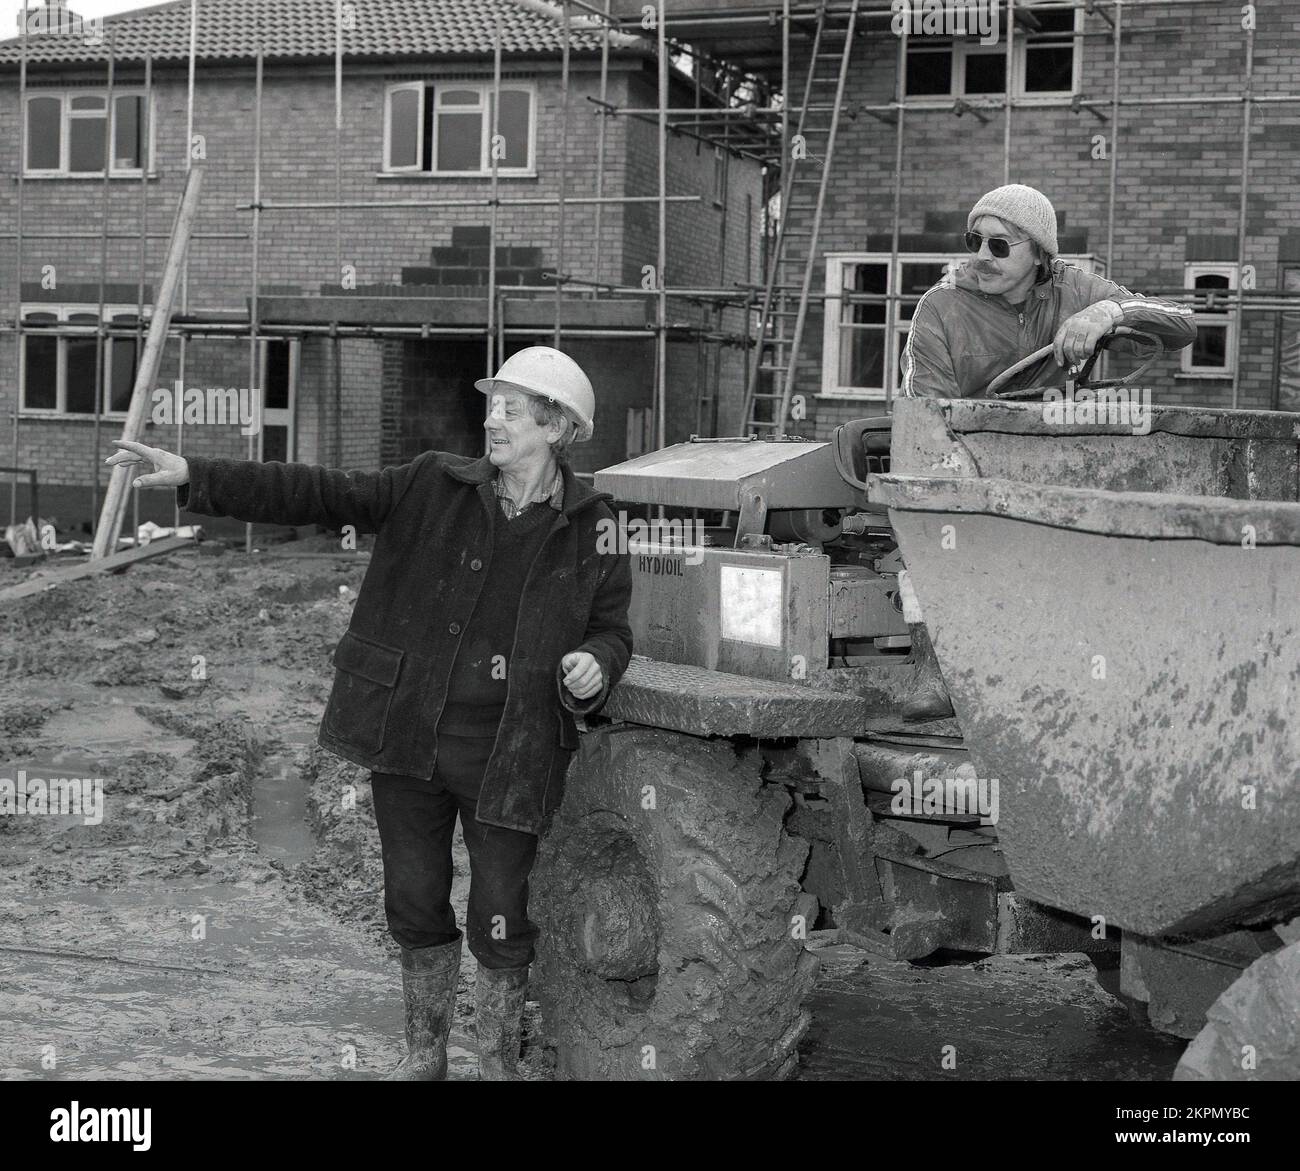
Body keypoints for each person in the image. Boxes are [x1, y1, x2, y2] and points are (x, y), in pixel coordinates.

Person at [106, 345, 632, 1080]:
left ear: (557, 426)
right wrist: (200, 475)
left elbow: (612, 627)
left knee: (502, 914)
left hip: (511, 752)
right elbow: (321, 493)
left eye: (511, 408)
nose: (493, 419)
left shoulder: (594, 525)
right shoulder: (431, 486)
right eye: (492, 404)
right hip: (410, 737)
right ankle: (425, 1055)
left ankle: (500, 1062)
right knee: (414, 900)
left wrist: (595, 664)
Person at [897, 183, 1196, 721]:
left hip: (1052, 465)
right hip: (960, 458)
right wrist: (966, 472)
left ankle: (1082, 668)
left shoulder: (1075, 289)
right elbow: (928, 411)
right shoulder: (940, 306)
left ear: (1040, 253)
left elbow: (1181, 325)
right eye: (976, 241)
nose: (983, 257)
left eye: (1001, 245)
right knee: (931, 519)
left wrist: (1107, 311)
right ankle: (935, 667)